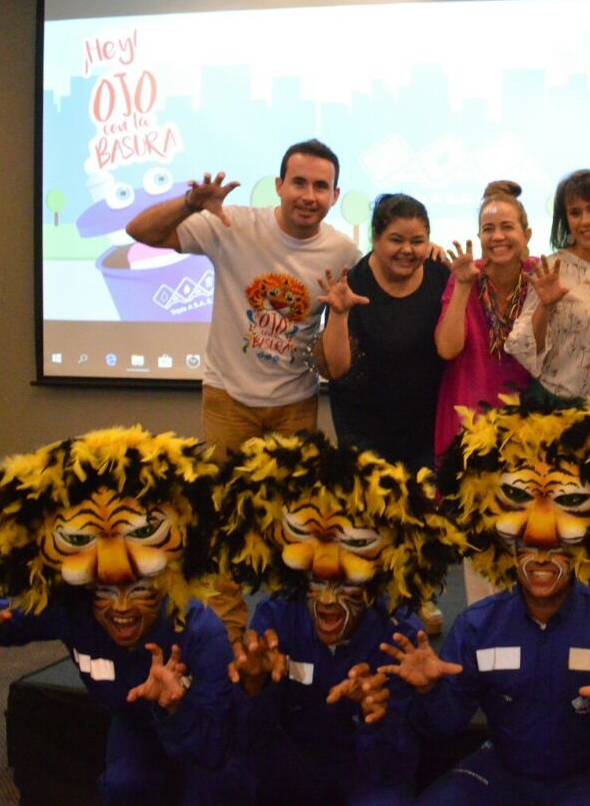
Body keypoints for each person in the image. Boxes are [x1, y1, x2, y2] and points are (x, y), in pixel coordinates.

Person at [383, 395, 590, 806]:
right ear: (507, 546)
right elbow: (442, 727)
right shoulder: (477, 625)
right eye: (528, 545)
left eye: (556, 545)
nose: (542, 552)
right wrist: (427, 692)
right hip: (501, 769)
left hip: (587, 777)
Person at [0, 427, 247, 805]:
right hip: (133, 722)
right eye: (105, 592)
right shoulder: (73, 610)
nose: (121, 608)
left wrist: (176, 708)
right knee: (124, 785)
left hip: (201, 730)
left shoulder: (202, 633)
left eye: (139, 590)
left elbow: (215, 745)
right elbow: (6, 616)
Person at [208, 433, 465, 806]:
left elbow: (395, 767)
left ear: (375, 580)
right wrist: (253, 689)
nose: (328, 598)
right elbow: (252, 740)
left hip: (364, 773)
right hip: (295, 768)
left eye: (346, 584)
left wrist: (376, 718)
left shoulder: (400, 637)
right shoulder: (276, 618)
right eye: (315, 581)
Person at [125, 139, 359, 462]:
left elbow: (387, 271)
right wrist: (189, 204)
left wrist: (427, 254)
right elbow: (140, 231)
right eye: (298, 183)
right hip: (227, 398)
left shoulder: (344, 253)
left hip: (296, 403)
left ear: (334, 195)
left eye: (320, 186)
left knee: (288, 494)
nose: (308, 196)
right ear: (279, 186)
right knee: (224, 491)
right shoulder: (232, 225)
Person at [434, 180, 539, 604]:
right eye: (488, 229)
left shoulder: (541, 276)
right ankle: (484, 625)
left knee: (529, 533)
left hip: (530, 424)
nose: (498, 237)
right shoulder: (465, 276)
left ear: (526, 234)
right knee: (479, 543)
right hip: (471, 423)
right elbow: (447, 348)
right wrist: (461, 286)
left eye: (507, 227)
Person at [317, 193, 450, 474]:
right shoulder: (352, 284)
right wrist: (339, 314)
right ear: (375, 239)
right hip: (364, 433)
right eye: (396, 240)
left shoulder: (441, 275)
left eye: (417, 241)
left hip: (426, 433)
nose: (407, 250)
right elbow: (337, 369)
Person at [505, 169, 590, 411]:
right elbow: (527, 348)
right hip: (554, 409)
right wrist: (545, 307)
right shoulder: (551, 269)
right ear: (565, 220)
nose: (586, 221)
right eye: (575, 213)